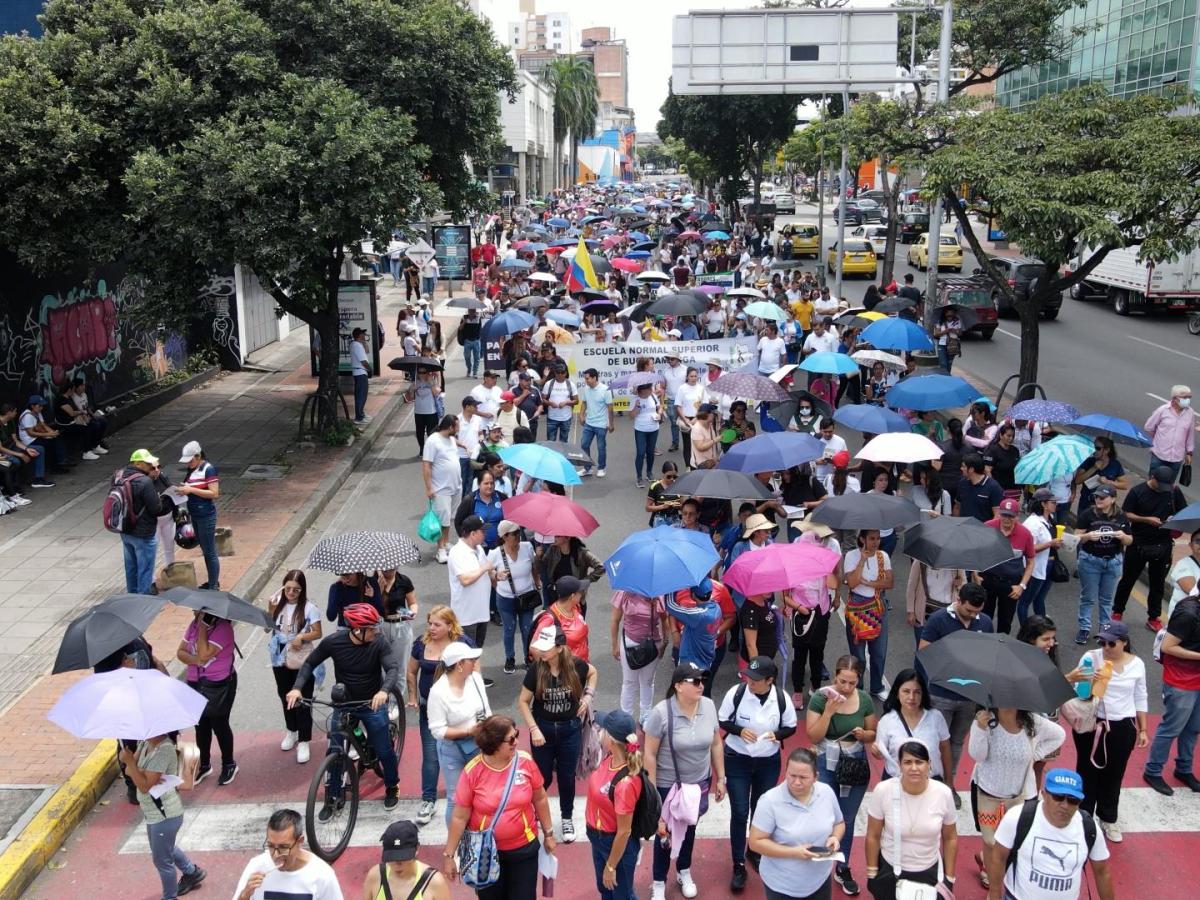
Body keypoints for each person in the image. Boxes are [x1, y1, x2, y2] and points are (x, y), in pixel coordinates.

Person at [288, 603, 402, 814]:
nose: (376, 631)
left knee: (385, 749)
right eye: (372, 627)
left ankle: (392, 785)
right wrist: (296, 689)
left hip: (371, 704)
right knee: (334, 749)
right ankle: (333, 796)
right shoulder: (333, 642)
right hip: (343, 704)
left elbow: (392, 668)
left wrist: (384, 691)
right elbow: (309, 664)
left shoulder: (379, 643)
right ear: (358, 630)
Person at [442, 715, 557, 900]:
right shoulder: (472, 771)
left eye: (517, 735)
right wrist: (449, 855)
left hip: (524, 849)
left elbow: (540, 798)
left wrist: (549, 833)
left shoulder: (526, 762)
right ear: (494, 744)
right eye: (511, 739)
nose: (517, 742)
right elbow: (459, 817)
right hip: (485, 855)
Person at [643, 662, 727, 900]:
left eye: (703, 680)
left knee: (690, 829)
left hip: (698, 783)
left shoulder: (709, 706)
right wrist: (653, 794)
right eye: (696, 681)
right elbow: (649, 754)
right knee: (664, 833)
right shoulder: (661, 713)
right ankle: (659, 880)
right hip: (669, 785)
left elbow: (716, 743)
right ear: (678, 686)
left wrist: (721, 777)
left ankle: (684, 870)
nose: (702, 685)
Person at [719, 656, 799, 892]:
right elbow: (724, 720)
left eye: (755, 680)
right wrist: (740, 730)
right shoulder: (737, 693)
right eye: (748, 678)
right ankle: (738, 863)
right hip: (737, 760)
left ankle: (753, 850)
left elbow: (791, 726)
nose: (750, 683)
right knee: (740, 811)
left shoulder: (781, 699)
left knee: (760, 809)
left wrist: (779, 735)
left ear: (770, 680)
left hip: (768, 762)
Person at [967, 707, 1066, 888]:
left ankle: (988, 862)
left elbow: (1059, 735)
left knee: (1014, 842)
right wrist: (980, 729)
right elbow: (977, 755)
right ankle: (994, 884)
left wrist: (1034, 756)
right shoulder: (985, 721)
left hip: (1020, 794)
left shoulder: (1033, 722)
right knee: (990, 842)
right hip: (987, 792)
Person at [518, 624, 598, 843]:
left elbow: (593, 673)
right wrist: (534, 728)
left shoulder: (576, 666)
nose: (541, 652)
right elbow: (523, 702)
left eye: (546, 648)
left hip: (569, 731)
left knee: (567, 778)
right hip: (542, 730)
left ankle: (566, 817)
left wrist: (588, 697)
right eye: (540, 647)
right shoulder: (537, 669)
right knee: (541, 778)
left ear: (560, 648)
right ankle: (534, 815)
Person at [806, 655, 877, 896]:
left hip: (854, 762)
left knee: (846, 818)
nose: (846, 688)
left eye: (852, 683)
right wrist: (828, 712)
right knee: (823, 815)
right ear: (835, 676)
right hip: (826, 761)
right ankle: (819, 863)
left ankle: (843, 867)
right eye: (842, 681)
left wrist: (863, 735)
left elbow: (872, 733)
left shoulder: (865, 700)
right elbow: (813, 736)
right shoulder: (820, 697)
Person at [1071, 621, 1148, 843]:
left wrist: (1143, 729)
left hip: (1122, 725)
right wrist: (1088, 680)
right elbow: (1079, 692)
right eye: (1102, 642)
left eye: (1111, 643)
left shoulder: (1137, 665)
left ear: (1124, 643)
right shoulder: (1091, 657)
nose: (1106, 647)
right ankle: (1084, 815)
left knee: (1115, 772)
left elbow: (1140, 696)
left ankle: (1108, 817)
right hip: (1092, 722)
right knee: (1086, 769)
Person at [918, 582, 992, 808]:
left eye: (977, 612)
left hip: (969, 696)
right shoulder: (939, 619)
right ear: (958, 600)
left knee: (957, 742)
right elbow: (924, 650)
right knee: (934, 742)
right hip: (941, 693)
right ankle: (929, 784)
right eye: (969, 610)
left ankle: (948, 786)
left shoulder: (985, 622)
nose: (973, 615)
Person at [863, 742, 959, 900]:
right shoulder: (883, 790)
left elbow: (951, 838)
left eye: (919, 762)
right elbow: (872, 835)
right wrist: (872, 872)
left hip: (929, 872)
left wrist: (949, 878)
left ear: (929, 764)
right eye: (907, 762)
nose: (914, 768)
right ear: (899, 765)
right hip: (890, 870)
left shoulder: (943, 793)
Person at [748, 746, 845, 900]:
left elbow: (839, 823)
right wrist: (794, 852)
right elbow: (755, 842)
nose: (796, 782)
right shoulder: (770, 801)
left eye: (803, 777)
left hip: (820, 880)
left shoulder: (826, 792)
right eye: (792, 775)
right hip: (782, 886)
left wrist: (835, 837)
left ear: (815, 777)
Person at [407, 606, 474, 825]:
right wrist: (413, 696)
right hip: (429, 709)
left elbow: (476, 674)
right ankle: (428, 800)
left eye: (437, 624)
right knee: (431, 755)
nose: (432, 628)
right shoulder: (421, 643)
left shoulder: (462, 644)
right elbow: (411, 671)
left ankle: (473, 795)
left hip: (458, 711)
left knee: (468, 754)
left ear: (449, 625)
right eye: (430, 623)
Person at [120, 731, 206, 900]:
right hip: (153, 814)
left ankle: (170, 897)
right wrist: (142, 771)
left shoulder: (164, 749)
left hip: (165, 815)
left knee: (162, 861)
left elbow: (144, 786)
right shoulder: (145, 744)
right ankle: (191, 872)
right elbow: (131, 774)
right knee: (165, 848)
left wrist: (132, 763)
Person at [1112, 465, 1187, 632]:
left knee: (1157, 583)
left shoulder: (1173, 492)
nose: (1163, 489)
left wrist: (1173, 519)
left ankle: (1153, 617)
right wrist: (1146, 519)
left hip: (1163, 544)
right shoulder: (1137, 492)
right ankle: (1117, 612)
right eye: (1160, 485)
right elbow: (1126, 514)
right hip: (1138, 543)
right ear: (1152, 477)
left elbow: (1183, 511)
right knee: (1128, 579)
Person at [427, 641, 491, 827]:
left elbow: (486, 711)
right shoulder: (438, 692)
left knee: (483, 793)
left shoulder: (476, 680)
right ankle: (455, 845)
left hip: (479, 745)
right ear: (459, 665)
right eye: (471, 660)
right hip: (451, 749)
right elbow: (437, 730)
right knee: (456, 798)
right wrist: (468, 731)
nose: (475, 662)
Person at [1144, 586, 1200, 796]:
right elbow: (1168, 646)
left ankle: (1184, 768)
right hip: (1181, 680)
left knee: (1193, 728)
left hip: (1195, 680)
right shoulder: (1188, 613)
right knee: (1172, 728)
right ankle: (1153, 770)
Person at [586, 709, 645, 900]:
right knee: (606, 890)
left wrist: (611, 866)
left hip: (615, 844)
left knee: (622, 895)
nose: (597, 731)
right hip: (599, 838)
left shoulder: (625, 783)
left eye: (601, 728)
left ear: (610, 739)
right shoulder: (610, 758)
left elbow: (624, 832)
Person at [265, 570, 322, 764]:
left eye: (296, 590)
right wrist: (270, 609)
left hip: (302, 658)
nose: (291, 593)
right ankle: (292, 730)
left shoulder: (309, 608)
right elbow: (267, 628)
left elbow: (317, 632)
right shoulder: (277, 604)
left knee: (303, 699)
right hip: (279, 658)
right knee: (285, 695)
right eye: (288, 588)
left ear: (302, 590)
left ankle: (304, 740)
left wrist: (301, 637)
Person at [178, 610, 238, 786]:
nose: (194, 613)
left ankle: (229, 764)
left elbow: (204, 653)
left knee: (219, 725)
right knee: (201, 725)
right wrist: (197, 661)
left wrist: (204, 628)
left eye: (198, 610)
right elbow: (180, 652)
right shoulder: (194, 624)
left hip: (218, 685)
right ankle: (204, 764)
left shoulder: (223, 629)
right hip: (195, 682)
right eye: (194, 610)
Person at [232, 808, 340, 900]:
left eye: (283, 847)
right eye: (270, 846)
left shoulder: (323, 875)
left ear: (300, 841)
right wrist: (245, 895)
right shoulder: (257, 866)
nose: (275, 855)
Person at [1074, 484, 1132, 644]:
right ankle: (1084, 628)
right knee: (1088, 597)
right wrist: (1087, 536)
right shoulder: (1088, 514)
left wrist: (1122, 536)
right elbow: (1076, 536)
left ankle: (1105, 630)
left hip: (1113, 561)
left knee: (1106, 599)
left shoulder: (1121, 516)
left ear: (1113, 499)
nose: (1098, 500)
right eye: (1097, 497)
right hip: (1090, 560)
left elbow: (1130, 540)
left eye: (1102, 497)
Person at [871, 669, 952, 782]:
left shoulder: (936, 717)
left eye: (917, 692)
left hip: (931, 784)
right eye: (906, 691)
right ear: (897, 693)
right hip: (897, 784)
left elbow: (945, 749)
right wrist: (876, 753)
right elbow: (882, 753)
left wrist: (949, 783)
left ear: (923, 694)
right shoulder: (886, 721)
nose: (911, 697)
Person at [844, 530, 892, 699]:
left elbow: (889, 582)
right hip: (857, 607)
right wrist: (862, 560)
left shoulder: (883, 556)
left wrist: (868, 582)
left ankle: (877, 687)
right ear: (862, 539)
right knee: (858, 655)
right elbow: (852, 582)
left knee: (879, 652)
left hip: (878, 605)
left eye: (878, 538)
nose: (876, 542)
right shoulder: (851, 556)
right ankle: (859, 689)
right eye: (872, 538)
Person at [611, 588, 669, 723]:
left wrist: (665, 643)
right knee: (629, 682)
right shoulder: (624, 592)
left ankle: (646, 715)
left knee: (648, 681)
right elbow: (615, 620)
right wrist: (614, 645)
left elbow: (665, 620)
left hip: (653, 644)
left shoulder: (658, 594)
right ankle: (626, 717)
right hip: (630, 643)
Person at [489, 520, 540, 674]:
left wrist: (537, 582)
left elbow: (534, 567)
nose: (518, 536)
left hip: (527, 596)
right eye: (514, 534)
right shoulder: (495, 554)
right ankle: (510, 658)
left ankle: (528, 658)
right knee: (509, 629)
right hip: (505, 599)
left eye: (519, 532)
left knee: (526, 629)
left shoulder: (527, 547)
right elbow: (489, 573)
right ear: (504, 537)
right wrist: (497, 576)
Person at [982, 497, 1037, 635]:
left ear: (1018, 516)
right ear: (999, 513)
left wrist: (1022, 586)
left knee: (1005, 623)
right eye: (1004, 515)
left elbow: (1030, 562)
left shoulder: (1025, 534)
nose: (1007, 519)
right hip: (987, 581)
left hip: (1011, 585)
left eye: (1011, 516)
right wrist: (976, 575)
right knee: (983, 619)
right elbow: (976, 552)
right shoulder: (987, 527)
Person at [115, 449, 164, 594]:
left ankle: (132, 597)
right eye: (147, 463)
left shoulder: (119, 476)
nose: (150, 466)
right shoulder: (144, 481)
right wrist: (159, 499)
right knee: (145, 569)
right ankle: (143, 601)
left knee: (131, 567)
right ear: (137, 463)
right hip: (143, 533)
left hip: (125, 529)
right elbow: (156, 508)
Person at [362, 820, 450, 900]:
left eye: (403, 857)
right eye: (392, 858)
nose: (397, 864)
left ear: (417, 849)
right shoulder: (375, 876)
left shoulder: (435, 882)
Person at [177, 440, 221, 590]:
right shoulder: (193, 470)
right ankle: (212, 581)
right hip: (195, 514)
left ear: (198, 456)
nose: (188, 463)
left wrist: (191, 490)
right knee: (205, 549)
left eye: (190, 460)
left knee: (209, 551)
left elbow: (214, 493)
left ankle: (213, 584)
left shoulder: (208, 469)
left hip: (206, 515)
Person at [448, 515, 494, 650]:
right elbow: (465, 580)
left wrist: (496, 574)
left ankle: (475, 672)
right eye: (482, 531)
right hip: (465, 616)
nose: (485, 534)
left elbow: (486, 572)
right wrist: (485, 568)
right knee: (465, 653)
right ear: (473, 534)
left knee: (477, 650)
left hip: (481, 612)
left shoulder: (479, 549)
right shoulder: (457, 552)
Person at [1019, 489, 1062, 626]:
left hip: (1049, 565)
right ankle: (1026, 631)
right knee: (1025, 601)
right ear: (1043, 504)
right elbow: (1027, 548)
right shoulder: (1032, 524)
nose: (1056, 504)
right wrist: (1050, 543)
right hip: (1035, 568)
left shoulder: (1050, 519)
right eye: (1053, 502)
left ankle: (1043, 629)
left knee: (1040, 599)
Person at [533, 575, 591, 662]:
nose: (582, 594)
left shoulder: (576, 607)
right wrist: (553, 670)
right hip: (567, 671)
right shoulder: (549, 618)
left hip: (582, 665)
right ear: (572, 596)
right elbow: (534, 648)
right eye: (580, 591)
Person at [1143, 384, 1194, 482]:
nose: (1188, 400)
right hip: (1159, 455)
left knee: (1169, 486)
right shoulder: (1163, 410)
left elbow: (1190, 434)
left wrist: (1189, 452)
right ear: (1175, 398)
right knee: (1153, 483)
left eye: (1189, 397)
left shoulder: (1190, 413)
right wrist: (1158, 439)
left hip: (1177, 458)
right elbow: (1149, 427)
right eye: (1185, 397)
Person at [1073, 436, 1128, 515]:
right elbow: (1077, 480)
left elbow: (1124, 485)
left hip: (1105, 506)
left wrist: (1108, 482)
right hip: (1086, 503)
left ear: (1106, 450)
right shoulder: (1089, 461)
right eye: (1093, 447)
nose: (1094, 450)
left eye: (1098, 448)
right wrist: (1093, 468)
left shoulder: (1115, 465)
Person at [56, 376, 109, 459]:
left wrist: (91, 415)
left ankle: (96, 445)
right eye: (73, 389)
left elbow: (85, 408)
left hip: (77, 420)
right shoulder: (62, 400)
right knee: (89, 427)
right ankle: (86, 451)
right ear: (70, 390)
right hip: (68, 424)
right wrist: (82, 413)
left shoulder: (69, 398)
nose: (73, 391)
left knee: (102, 422)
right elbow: (72, 413)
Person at [579, 368, 614, 477]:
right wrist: (581, 415)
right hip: (589, 423)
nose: (586, 381)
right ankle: (587, 468)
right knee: (584, 445)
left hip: (601, 425)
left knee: (601, 447)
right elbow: (584, 403)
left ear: (594, 378)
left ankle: (601, 468)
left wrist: (611, 424)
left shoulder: (606, 390)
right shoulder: (586, 389)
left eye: (588, 378)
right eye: (585, 378)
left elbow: (610, 408)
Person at [954, 452, 1003, 521]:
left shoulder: (994, 487)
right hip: (964, 529)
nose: (961, 468)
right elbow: (957, 507)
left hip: (983, 529)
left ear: (971, 469)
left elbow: (997, 515)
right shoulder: (962, 483)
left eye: (963, 466)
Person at [632, 381, 664, 488]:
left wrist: (659, 414)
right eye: (649, 389)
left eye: (651, 389)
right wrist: (636, 407)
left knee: (650, 452)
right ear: (642, 390)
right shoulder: (635, 399)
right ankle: (639, 477)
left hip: (654, 428)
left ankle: (649, 473)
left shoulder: (653, 397)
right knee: (641, 453)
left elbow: (659, 407)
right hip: (640, 429)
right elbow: (631, 415)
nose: (652, 391)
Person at [406, 368, 443, 454]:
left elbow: (437, 393)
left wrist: (431, 383)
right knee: (419, 432)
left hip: (431, 412)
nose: (421, 374)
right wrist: (412, 390)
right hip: (419, 412)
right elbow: (409, 398)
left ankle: (431, 450)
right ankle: (422, 448)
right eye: (419, 372)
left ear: (427, 372)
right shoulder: (415, 383)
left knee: (432, 433)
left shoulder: (432, 381)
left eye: (424, 372)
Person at [1168, 528, 1200, 619]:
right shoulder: (1183, 565)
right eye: (1198, 541)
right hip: (1183, 619)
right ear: (1191, 545)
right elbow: (1194, 592)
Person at [348, 326, 372, 424]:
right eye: (362, 334)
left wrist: (364, 341)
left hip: (360, 372)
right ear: (359, 335)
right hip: (360, 372)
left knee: (362, 395)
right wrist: (370, 369)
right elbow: (363, 361)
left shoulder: (358, 344)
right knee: (361, 395)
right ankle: (359, 417)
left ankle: (361, 413)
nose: (364, 335)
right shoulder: (356, 345)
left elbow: (367, 351)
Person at [934, 306, 962, 372]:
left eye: (951, 315)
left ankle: (948, 378)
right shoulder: (940, 321)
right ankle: (944, 379)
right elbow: (936, 334)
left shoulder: (957, 321)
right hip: (942, 344)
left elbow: (960, 333)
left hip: (952, 345)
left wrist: (953, 330)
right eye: (948, 315)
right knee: (943, 364)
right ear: (945, 314)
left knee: (949, 364)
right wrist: (945, 331)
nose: (950, 317)